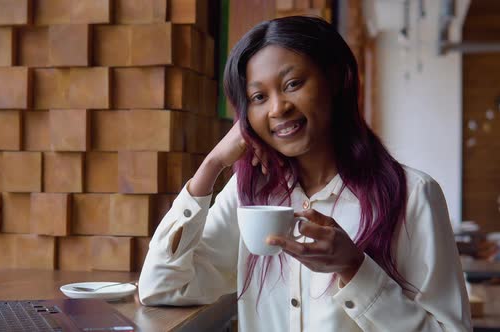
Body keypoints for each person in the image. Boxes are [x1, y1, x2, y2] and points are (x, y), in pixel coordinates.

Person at [138, 16, 471, 331]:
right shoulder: (250, 194)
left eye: (292, 84)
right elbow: (162, 287)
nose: (277, 108)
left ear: (337, 78)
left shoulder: (413, 195)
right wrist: (211, 166)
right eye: (258, 97)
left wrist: (354, 267)